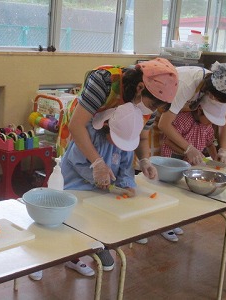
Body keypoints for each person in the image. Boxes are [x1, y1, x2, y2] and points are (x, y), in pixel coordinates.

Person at [54, 57, 179, 273]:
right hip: (84, 132)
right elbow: (77, 128)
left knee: (99, 210)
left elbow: (138, 139)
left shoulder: (146, 111)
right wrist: (97, 164)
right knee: (74, 209)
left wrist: (143, 161)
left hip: (111, 143)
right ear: (141, 87)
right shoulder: (103, 81)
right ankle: (71, 250)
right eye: (152, 105)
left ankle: (98, 241)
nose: (154, 110)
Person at [159, 94, 226, 242]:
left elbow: (210, 143)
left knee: (181, 193)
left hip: (191, 164)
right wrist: (187, 151)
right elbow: (168, 141)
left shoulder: (207, 126)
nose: (211, 124)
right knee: (169, 192)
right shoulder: (183, 119)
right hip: (173, 160)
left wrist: (216, 157)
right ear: (200, 110)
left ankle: (173, 222)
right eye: (210, 119)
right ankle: (164, 225)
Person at [158, 62, 226, 167]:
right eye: (218, 99)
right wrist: (188, 148)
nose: (215, 101)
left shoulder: (221, 87)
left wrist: (223, 150)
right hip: (157, 106)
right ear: (212, 93)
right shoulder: (186, 85)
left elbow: (223, 121)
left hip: (171, 112)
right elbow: (164, 124)